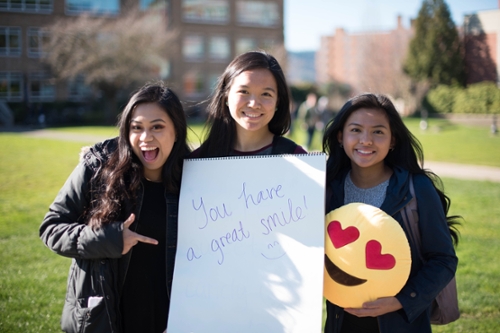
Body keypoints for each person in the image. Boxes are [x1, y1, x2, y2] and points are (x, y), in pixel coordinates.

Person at [39, 82, 191, 333]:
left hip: (173, 321)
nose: (146, 138)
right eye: (137, 128)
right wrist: (108, 238)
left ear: (177, 130)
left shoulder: (197, 180)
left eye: (157, 127)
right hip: (106, 320)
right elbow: (51, 228)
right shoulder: (98, 166)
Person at [322, 93, 460, 333]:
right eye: (355, 130)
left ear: (393, 140)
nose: (366, 140)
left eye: (378, 132)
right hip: (341, 323)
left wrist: (402, 301)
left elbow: (444, 260)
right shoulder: (326, 189)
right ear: (340, 136)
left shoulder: (417, 189)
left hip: (400, 323)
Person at [193, 51, 307, 157]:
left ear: (278, 101)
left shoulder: (298, 159)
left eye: (266, 94)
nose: (253, 104)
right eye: (244, 92)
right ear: (226, 96)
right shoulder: (197, 162)